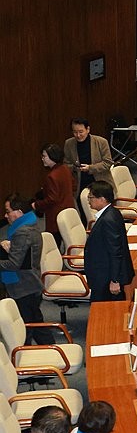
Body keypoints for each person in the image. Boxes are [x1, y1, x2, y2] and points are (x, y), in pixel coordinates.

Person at [0, 195, 49, 341]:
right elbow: (23, 255)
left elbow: (14, 265)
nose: (5, 215)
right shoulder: (30, 225)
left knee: (26, 328)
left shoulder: (22, 232)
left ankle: (27, 357)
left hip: (23, 286)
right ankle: (54, 352)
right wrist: (10, 248)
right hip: (30, 283)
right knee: (35, 325)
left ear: (19, 212)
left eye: (8, 211)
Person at [83, 181, 134, 301]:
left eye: (91, 197)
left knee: (106, 311)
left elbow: (115, 252)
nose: (89, 200)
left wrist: (115, 280)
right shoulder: (112, 212)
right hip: (104, 274)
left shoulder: (108, 219)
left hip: (106, 277)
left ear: (102, 199)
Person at [34, 143, 74, 235]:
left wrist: (37, 205)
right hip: (68, 210)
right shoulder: (65, 168)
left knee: (55, 241)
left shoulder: (51, 176)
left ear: (53, 156)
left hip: (55, 215)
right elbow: (73, 185)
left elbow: (52, 199)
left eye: (44, 156)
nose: (42, 159)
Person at [64, 117, 114, 190]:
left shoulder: (101, 142)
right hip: (79, 182)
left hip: (100, 181)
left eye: (81, 132)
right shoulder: (69, 143)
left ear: (88, 129)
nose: (78, 135)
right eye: (75, 132)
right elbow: (66, 164)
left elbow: (108, 163)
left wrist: (90, 168)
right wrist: (74, 167)